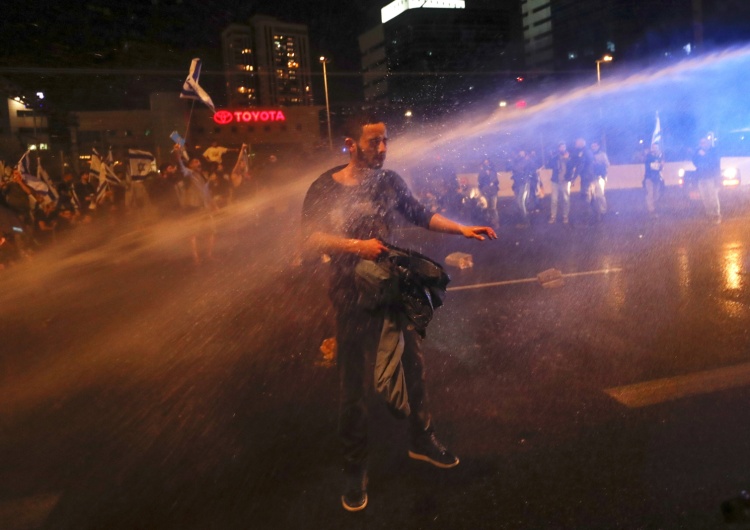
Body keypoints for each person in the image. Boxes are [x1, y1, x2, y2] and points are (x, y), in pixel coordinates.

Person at [301, 113, 496, 513]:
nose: (383, 148)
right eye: (374, 142)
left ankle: (422, 440)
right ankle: (355, 468)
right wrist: (359, 246)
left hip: (390, 286)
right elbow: (311, 236)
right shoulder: (324, 186)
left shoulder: (389, 182)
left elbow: (421, 214)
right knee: (353, 384)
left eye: (385, 140)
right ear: (350, 144)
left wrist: (462, 229)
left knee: (413, 365)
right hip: (349, 294)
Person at [692, 136, 722, 224]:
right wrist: (698, 154)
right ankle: (709, 215)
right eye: (701, 143)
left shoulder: (713, 151)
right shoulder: (698, 152)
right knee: (705, 198)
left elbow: (715, 162)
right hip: (701, 177)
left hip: (711, 177)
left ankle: (716, 215)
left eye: (704, 143)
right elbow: (694, 161)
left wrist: (705, 155)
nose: (702, 145)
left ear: (708, 143)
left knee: (713, 197)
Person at [548, 141, 571, 224]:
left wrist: (567, 159)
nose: (562, 148)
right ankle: (553, 216)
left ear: (565, 147)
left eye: (564, 147)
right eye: (560, 147)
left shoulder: (569, 156)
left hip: (565, 181)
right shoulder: (555, 157)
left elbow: (572, 166)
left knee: (566, 199)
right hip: (555, 181)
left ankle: (565, 216)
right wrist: (551, 156)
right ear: (558, 148)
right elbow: (550, 165)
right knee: (554, 200)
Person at [510, 149, 533, 227]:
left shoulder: (526, 161)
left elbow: (526, 171)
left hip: (524, 183)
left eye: (523, 152)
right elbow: (513, 169)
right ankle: (524, 220)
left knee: (520, 202)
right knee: (519, 202)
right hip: (519, 183)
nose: (521, 153)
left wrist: (523, 178)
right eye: (520, 152)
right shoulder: (517, 161)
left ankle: (526, 221)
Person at [643, 143, 664, 218]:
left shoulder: (659, 157)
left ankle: (653, 208)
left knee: (656, 194)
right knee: (650, 194)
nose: (655, 149)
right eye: (654, 148)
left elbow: (660, 168)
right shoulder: (649, 157)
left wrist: (661, 165)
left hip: (656, 178)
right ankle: (651, 210)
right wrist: (659, 164)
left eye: (656, 148)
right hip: (649, 177)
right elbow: (652, 167)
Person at [477, 158, 499, 229]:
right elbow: (480, 183)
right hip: (485, 192)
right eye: (485, 163)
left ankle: (495, 223)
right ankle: (488, 223)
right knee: (486, 208)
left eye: (488, 163)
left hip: (493, 192)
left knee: (493, 208)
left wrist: (493, 183)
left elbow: (496, 181)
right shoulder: (481, 173)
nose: (487, 165)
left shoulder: (493, 172)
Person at [590, 140, 609, 219]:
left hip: (600, 176)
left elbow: (607, 164)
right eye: (592, 146)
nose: (593, 147)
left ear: (598, 146)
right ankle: (596, 211)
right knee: (593, 196)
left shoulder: (602, 155)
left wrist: (599, 164)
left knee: (600, 195)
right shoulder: (590, 155)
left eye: (595, 146)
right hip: (591, 177)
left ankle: (603, 210)